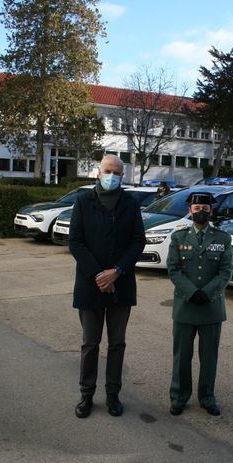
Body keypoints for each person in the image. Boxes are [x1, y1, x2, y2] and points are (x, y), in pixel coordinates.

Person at [69, 155, 146, 419]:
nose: (112, 175)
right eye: (107, 171)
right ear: (98, 173)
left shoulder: (131, 204)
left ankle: (113, 396)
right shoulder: (83, 201)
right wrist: (100, 275)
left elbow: (138, 242)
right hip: (90, 286)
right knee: (90, 344)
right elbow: (75, 242)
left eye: (116, 172)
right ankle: (86, 395)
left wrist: (117, 272)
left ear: (122, 175)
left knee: (117, 344)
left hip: (121, 286)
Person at [167, 192, 233, 417]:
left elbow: (226, 271)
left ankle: (207, 397)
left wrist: (208, 293)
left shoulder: (223, 238)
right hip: (185, 306)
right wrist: (191, 292)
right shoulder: (179, 237)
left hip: (211, 307)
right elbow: (173, 269)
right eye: (197, 208)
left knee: (209, 358)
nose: (201, 211)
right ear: (190, 211)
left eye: (205, 208)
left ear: (211, 211)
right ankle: (178, 397)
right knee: (181, 357)